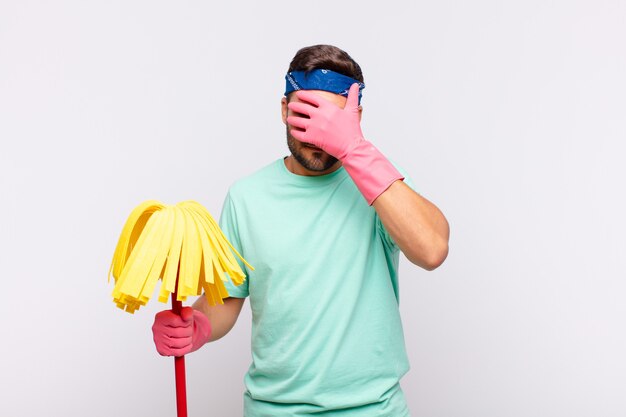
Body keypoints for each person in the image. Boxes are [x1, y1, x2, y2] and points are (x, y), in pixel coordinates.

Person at [152, 44, 450, 417]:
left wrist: (354, 148)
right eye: (306, 114)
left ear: (355, 117)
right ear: (283, 110)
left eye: (333, 119)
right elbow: (226, 300)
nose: (318, 133)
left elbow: (432, 248)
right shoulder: (247, 197)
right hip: (274, 410)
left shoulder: (379, 187)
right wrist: (195, 325)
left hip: (374, 410)